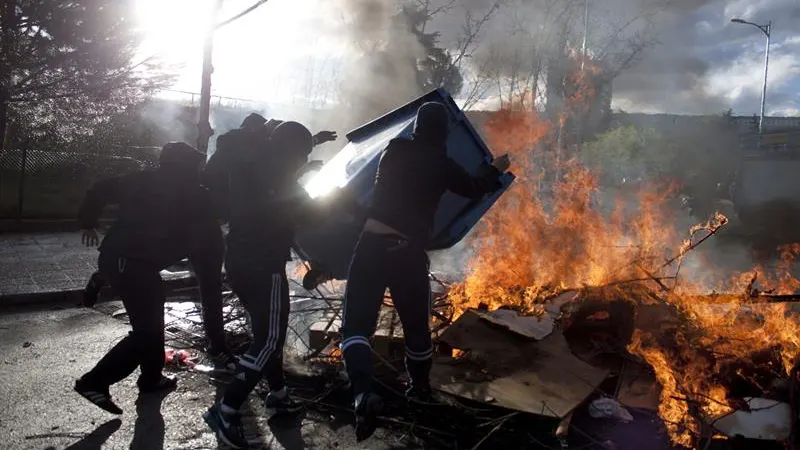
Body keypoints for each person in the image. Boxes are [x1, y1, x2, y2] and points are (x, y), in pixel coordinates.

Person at [340, 102, 511, 441]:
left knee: (356, 327)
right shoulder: (441, 163)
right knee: (417, 328)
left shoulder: (394, 149)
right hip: (407, 252)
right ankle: (419, 389)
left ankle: (362, 393)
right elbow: (475, 188)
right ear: (444, 132)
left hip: (371, 244)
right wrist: (494, 168)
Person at [202, 120, 342, 449]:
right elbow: (312, 216)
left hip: (238, 261)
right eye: (301, 155)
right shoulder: (281, 176)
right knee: (269, 339)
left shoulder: (252, 165)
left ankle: (279, 396)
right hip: (265, 266)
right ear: (292, 152)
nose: (300, 161)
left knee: (267, 334)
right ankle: (226, 409)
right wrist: (341, 199)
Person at [73, 142, 216, 414]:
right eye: (195, 164)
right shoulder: (192, 193)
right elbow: (215, 212)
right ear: (185, 166)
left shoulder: (141, 179)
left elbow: (100, 189)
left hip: (126, 260)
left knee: (152, 320)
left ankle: (151, 379)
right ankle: (94, 382)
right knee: (147, 332)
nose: (199, 169)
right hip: (132, 264)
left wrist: (88, 221)